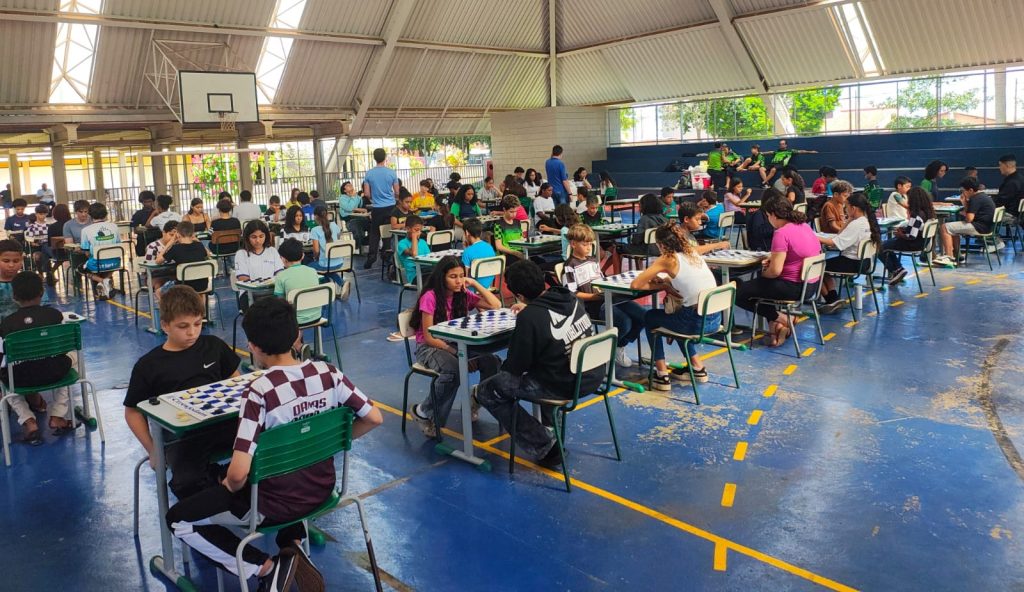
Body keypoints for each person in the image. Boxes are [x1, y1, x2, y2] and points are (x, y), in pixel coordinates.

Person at [165, 296, 382, 591]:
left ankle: (265, 567)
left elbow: (238, 476)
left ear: (253, 346)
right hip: (322, 490)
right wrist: (326, 445)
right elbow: (374, 418)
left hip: (271, 506)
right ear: (297, 336)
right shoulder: (330, 374)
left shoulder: (260, 391)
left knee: (179, 519)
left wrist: (225, 488)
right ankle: (292, 545)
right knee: (262, 474)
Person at [475, 259, 601, 468]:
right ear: (542, 280)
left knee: (487, 391)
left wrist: (527, 317)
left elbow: (515, 368)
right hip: (593, 374)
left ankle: (545, 445)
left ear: (519, 295)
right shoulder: (569, 297)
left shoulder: (530, 317)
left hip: (564, 384)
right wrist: (531, 309)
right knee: (545, 365)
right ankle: (550, 430)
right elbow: (548, 317)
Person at [124, 285, 241, 498]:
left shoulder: (214, 346)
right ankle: (216, 482)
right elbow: (132, 412)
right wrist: (153, 449)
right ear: (165, 325)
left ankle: (231, 484)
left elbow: (236, 383)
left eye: (198, 324)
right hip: (181, 437)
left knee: (268, 445)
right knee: (187, 484)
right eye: (183, 326)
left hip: (222, 422)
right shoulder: (148, 365)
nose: (192, 332)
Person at [407, 256, 501, 437]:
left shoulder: (463, 295)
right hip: (430, 347)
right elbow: (428, 337)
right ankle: (424, 412)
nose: (459, 281)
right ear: (442, 277)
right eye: (453, 277)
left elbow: (495, 305)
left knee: (492, 362)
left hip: (457, 343)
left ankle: (477, 398)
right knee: (453, 371)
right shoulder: (430, 297)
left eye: (461, 276)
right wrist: (459, 354)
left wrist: (474, 283)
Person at [630, 225, 719, 390]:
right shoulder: (692, 253)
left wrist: (663, 286)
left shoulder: (667, 259)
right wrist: (667, 282)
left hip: (694, 322)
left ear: (661, 245)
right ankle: (697, 368)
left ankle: (661, 374)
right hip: (714, 319)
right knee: (677, 316)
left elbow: (635, 284)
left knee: (650, 317)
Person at [735, 196, 820, 348]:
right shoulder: (805, 226)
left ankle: (784, 319)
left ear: (773, 214)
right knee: (764, 286)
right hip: (811, 285)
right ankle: (775, 330)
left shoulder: (781, 233)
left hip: (792, 287)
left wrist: (764, 273)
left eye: (767, 215)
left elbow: (774, 272)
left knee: (737, 292)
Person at [0, 272, 74, 443]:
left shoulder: (6, 324)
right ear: (42, 292)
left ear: (14, 296)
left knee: (5, 377)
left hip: (21, 378)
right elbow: (64, 345)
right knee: (73, 360)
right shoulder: (55, 315)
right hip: (55, 372)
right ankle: (57, 415)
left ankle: (28, 421)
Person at [562, 224, 645, 367]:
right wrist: (595, 297)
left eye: (590, 244)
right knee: (625, 322)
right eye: (584, 244)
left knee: (643, 316)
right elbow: (572, 294)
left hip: (609, 298)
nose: (588, 247)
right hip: (592, 306)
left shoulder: (593, 260)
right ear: (573, 244)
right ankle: (606, 350)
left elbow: (602, 281)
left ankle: (618, 346)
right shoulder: (570, 266)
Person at [816, 193, 880, 313]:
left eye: (846, 207)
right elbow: (840, 234)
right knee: (824, 267)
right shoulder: (866, 221)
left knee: (816, 267)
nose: (845, 210)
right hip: (865, 262)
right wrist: (849, 219)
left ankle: (830, 300)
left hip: (851, 263)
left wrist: (814, 237)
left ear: (853, 208)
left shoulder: (856, 225)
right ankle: (833, 299)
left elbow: (834, 243)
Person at [878, 187, 935, 285]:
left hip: (912, 244)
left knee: (879, 247)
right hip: (922, 243)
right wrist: (904, 231)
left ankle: (896, 270)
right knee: (886, 245)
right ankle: (898, 269)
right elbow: (916, 229)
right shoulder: (927, 212)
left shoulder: (916, 215)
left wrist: (900, 234)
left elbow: (911, 236)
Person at [935, 176, 996, 266]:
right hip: (986, 226)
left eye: (963, 191)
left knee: (944, 227)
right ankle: (957, 255)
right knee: (953, 229)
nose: (962, 193)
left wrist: (965, 213)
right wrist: (964, 203)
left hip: (979, 227)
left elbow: (969, 219)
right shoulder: (982, 196)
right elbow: (970, 213)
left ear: (970, 190)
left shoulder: (975, 199)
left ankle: (949, 257)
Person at [361, 148, 400, 269]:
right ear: (385, 157)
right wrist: (394, 199)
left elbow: (366, 193)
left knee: (375, 232)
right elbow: (397, 192)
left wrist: (374, 199)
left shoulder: (369, 173)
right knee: (388, 231)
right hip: (391, 206)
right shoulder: (391, 173)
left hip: (377, 207)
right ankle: (386, 254)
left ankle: (372, 255)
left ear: (374, 158)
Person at [233, 220, 282, 311]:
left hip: (272, 292)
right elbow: (243, 279)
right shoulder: (241, 254)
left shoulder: (272, 251)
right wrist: (261, 286)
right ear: (247, 237)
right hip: (249, 294)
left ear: (266, 236)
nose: (258, 240)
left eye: (261, 236)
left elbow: (280, 274)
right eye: (254, 237)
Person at [273, 238, 321, 326]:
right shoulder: (313, 271)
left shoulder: (281, 276)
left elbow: (280, 302)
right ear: (303, 256)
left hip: (293, 320)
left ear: (282, 259)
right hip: (316, 316)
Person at [79, 201, 122, 300]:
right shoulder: (114, 226)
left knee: (81, 268)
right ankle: (106, 281)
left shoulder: (85, 230)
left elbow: (86, 251)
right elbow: (118, 244)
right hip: (115, 263)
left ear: (90, 215)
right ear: (105, 214)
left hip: (97, 264)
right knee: (107, 264)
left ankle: (102, 280)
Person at [308, 205, 350, 300]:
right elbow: (337, 240)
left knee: (309, 267)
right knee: (326, 269)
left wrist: (316, 258)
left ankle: (330, 288)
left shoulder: (315, 230)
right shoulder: (334, 226)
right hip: (340, 262)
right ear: (327, 215)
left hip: (326, 264)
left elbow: (316, 251)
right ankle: (335, 287)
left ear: (315, 216)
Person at [157, 220, 211, 294]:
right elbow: (208, 254)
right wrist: (197, 240)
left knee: (158, 292)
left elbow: (158, 261)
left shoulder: (175, 248)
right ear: (193, 234)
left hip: (183, 287)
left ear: (178, 234)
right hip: (202, 285)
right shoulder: (199, 245)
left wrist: (170, 243)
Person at [144, 220, 180, 300]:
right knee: (160, 285)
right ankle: (164, 306)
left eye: (176, 237)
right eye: (171, 235)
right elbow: (148, 266)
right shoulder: (153, 246)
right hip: (156, 276)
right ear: (163, 232)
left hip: (173, 275)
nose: (173, 239)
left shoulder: (178, 245)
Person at [461, 218, 496, 290]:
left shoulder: (467, 252)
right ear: (480, 232)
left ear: (467, 233)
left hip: (473, 287)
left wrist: (466, 249)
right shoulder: (489, 247)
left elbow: (464, 277)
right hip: (488, 286)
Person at [395, 215, 429, 284]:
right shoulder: (402, 244)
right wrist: (414, 237)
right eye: (416, 230)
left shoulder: (423, 242)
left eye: (420, 230)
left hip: (425, 271)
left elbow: (429, 258)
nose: (419, 233)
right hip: (414, 276)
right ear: (408, 229)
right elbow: (414, 254)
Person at [493, 195, 527, 263]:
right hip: (508, 254)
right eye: (511, 212)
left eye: (516, 211)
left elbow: (521, 239)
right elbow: (498, 246)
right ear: (504, 210)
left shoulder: (517, 222)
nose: (514, 214)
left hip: (519, 251)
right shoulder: (498, 225)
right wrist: (515, 253)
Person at [337, 181, 368, 251]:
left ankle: (364, 242)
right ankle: (358, 246)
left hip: (358, 216)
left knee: (371, 224)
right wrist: (353, 198)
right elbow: (350, 208)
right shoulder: (342, 198)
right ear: (344, 190)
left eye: (351, 185)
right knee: (356, 225)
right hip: (348, 217)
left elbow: (360, 205)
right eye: (348, 185)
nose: (350, 186)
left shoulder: (355, 196)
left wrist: (356, 197)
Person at [995, 154, 1024, 225]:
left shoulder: (1012, 183)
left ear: (1007, 165)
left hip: (1010, 215)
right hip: (1018, 215)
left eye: (1000, 165)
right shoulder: (1020, 178)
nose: (999, 168)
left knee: (982, 214)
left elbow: (1000, 202)